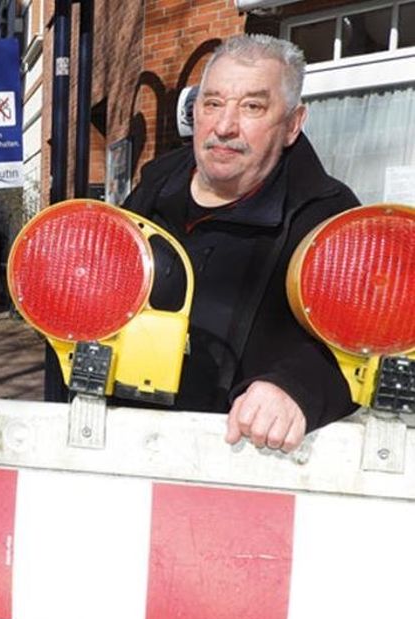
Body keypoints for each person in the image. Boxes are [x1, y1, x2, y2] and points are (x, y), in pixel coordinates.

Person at [117, 33, 360, 453]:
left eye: (252, 106)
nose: (224, 126)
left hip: (243, 462)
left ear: (292, 125)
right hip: (127, 443)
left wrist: (297, 387)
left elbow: (366, 345)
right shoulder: (153, 189)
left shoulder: (328, 220)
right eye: (212, 103)